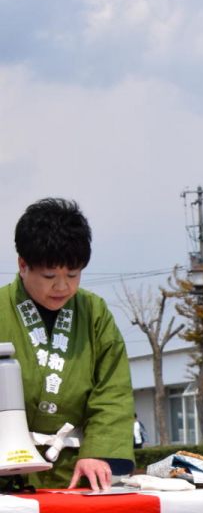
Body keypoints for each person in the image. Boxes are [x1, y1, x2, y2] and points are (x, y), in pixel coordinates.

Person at [0, 198, 134, 490]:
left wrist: (98, 452)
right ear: (23, 265)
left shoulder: (94, 311)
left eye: (72, 275)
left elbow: (113, 389)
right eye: (50, 276)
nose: (62, 287)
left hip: (77, 469)